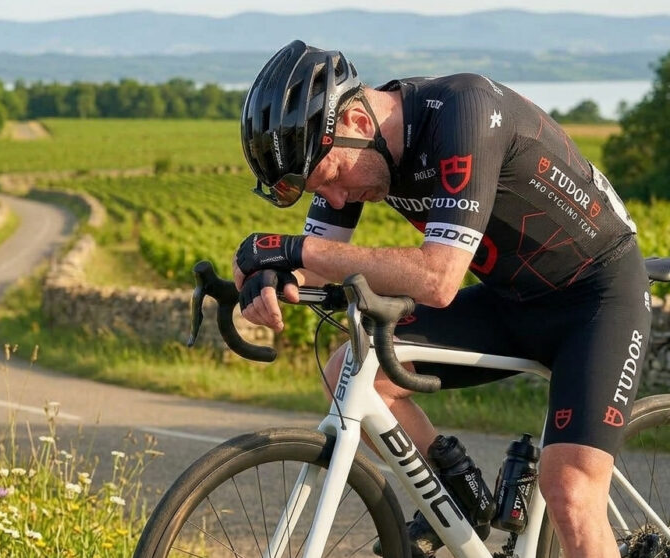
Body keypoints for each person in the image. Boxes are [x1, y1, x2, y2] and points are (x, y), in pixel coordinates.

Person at [233, 40, 652, 558]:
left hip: (597, 298)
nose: (335, 198)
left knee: (570, 488)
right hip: (510, 300)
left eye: (334, 179)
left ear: (359, 124)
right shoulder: (345, 151)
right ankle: (455, 488)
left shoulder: (464, 112)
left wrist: (290, 249)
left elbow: (437, 279)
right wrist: (260, 274)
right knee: (348, 370)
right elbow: (309, 259)